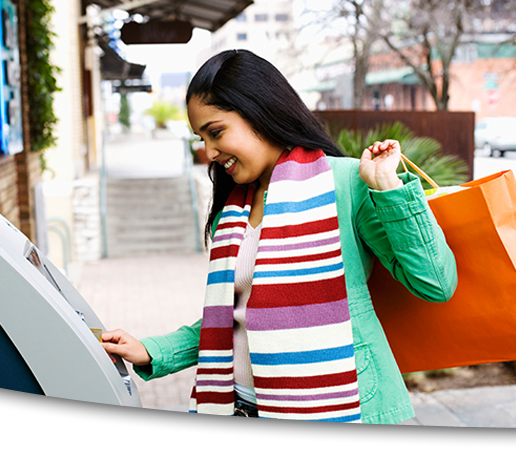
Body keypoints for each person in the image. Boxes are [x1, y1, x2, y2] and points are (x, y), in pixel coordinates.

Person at [101, 49, 458, 424]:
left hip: (343, 408)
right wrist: (151, 350)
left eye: (216, 132)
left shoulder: (348, 183)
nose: (208, 151)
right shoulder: (233, 209)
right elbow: (230, 319)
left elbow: (435, 283)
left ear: (260, 111)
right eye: (201, 138)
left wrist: (388, 187)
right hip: (239, 409)